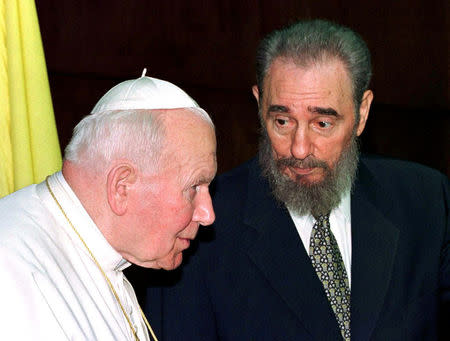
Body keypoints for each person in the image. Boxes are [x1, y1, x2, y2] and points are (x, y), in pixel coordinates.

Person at [142, 20, 449, 340]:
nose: (299, 149)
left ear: (362, 112)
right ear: (259, 104)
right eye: (283, 121)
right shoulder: (201, 229)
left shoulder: (426, 201)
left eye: (322, 123)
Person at [0, 71, 217, 340]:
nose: (207, 214)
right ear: (121, 187)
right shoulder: (11, 271)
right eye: (194, 187)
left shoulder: (105, 257)